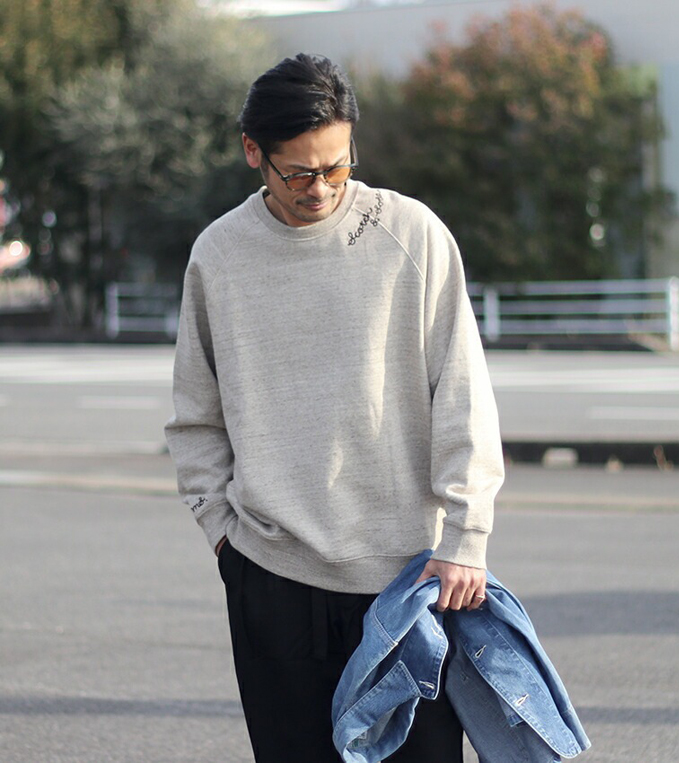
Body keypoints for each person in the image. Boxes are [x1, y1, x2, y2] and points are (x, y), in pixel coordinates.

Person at [164, 53, 504, 762]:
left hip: (408, 579)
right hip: (272, 575)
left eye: (337, 167)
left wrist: (465, 538)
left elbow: (463, 393)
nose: (320, 189)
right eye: (298, 173)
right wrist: (223, 535)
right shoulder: (219, 255)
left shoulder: (410, 234)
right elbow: (195, 413)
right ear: (253, 151)